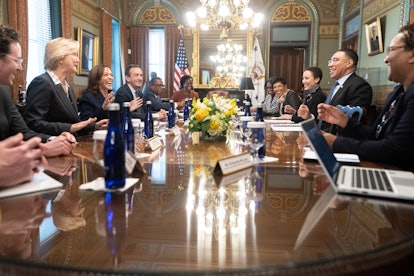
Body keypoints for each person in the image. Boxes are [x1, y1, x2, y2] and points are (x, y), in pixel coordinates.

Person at [316, 23, 414, 172]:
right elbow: (376, 137)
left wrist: (336, 143)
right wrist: (345, 122)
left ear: (412, 54)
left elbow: (394, 150)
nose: (386, 59)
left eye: (391, 50)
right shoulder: (397, 92)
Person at [0, 25, 76, 188]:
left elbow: (24, 132)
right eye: (17, 61)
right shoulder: (42, 83)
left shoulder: (4, 92)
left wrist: (51, 143)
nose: (20, 68)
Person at [24, 37, 108, 137]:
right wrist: (70, 128)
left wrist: (93, 126)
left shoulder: (68, 87)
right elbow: (34, 124)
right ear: (60, 58)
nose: (78, 60)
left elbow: (73, 123)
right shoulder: (42, 83)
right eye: (74, 55)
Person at [321, 48, 373, 133]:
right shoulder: (335, 86)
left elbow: (352, 121)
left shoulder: (360, 86)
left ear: (349, 63)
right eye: (330, 61)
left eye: (335, 60)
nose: (330, 65)